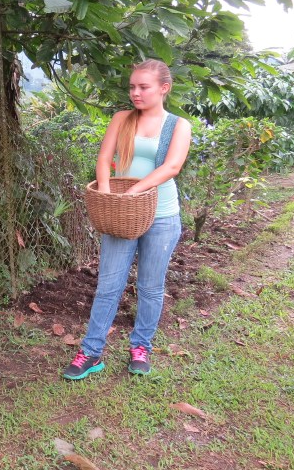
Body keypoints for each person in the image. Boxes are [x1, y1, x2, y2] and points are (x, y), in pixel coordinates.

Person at [63, 59, 192, 380]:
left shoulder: (178, 126)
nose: (136, 92)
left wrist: (134, 190)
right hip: (121, 213)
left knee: (150, 286)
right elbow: (104, 159)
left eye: (144, 87)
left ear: (164, 88)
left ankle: (141, 347)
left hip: (161, 215)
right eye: (132, 86)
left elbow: (172, 167)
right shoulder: (122, 119)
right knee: (109, 285)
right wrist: (109, 195)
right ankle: (91, 351)